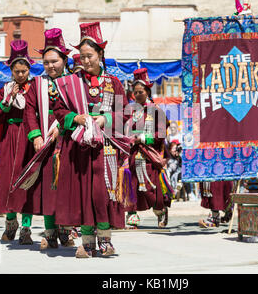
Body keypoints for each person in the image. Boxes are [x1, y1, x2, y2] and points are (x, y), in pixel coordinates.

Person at [52, 22, 128, 258]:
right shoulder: (71, 83)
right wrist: (76, 118)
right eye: (81, 56)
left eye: (89, 56)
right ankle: (86, 241)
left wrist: (106, 118)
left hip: (104, 147)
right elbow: (59, 110)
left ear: (100, 54)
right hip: (79, 147)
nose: (85, 61)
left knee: (102, 192)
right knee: (83, 192)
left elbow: (124, 111)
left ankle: (105, 240)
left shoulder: (113, 83)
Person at [21, 28, 74, 250]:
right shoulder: (37, 84)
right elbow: (29, 111)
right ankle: (50, 232)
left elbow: (78, 109)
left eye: (54, 61)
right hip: (45, 146)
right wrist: (35, 136)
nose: (50, 66)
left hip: (69, 143)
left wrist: (62, 128)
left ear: (64, 59)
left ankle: (66, 229)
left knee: (68, 189)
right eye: (46, 62)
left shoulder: (74, 82)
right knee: (49, 189)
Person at [0, 40, 37, 245]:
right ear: (11, 70)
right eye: (16, 71)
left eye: (24, 71)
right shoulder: (4, 90)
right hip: (9, 138)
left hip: (28, 138)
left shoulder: (35, 88)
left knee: (28, 182)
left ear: (29, 69)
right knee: (8, 181)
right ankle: (10, 223)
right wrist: (6, 103)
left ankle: (26, 228)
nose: (20, 75)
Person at [124, 68, 170, 230]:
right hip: (132, 155)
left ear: (148, 91)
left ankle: (160, 211)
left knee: (151, 187)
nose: (137, 95)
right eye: (135, 92)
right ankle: (131, 215)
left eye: (140, 91)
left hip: (150, 155)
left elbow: (162, 133)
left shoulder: (156, 110)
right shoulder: (130, 110)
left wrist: (143, 138)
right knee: (132, 185)